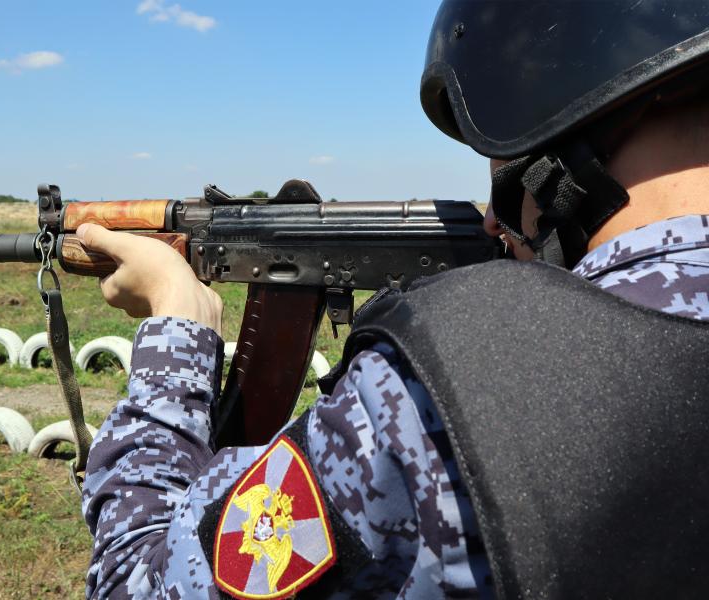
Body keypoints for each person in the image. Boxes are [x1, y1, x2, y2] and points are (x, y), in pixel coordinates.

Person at [79, 2, 709, 598]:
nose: (494, 220)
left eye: (496, 164)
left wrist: (177, 324)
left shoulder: (436, 400)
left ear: (551, 121)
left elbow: (138, 580)